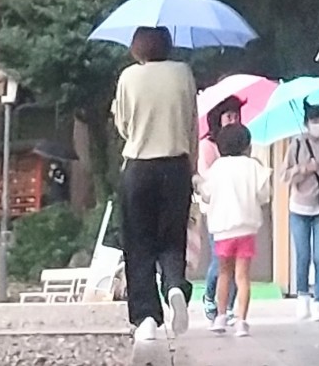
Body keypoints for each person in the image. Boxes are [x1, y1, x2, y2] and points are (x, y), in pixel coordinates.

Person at [112, 26, 199, 361]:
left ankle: (147, 319)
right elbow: (193, 123)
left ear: (137, 48)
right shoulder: (183, 73)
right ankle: (175, 286)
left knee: (139, 245)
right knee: (171, 238)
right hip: (176, 167)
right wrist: (191, 168)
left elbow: (123, 127)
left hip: (139, 168)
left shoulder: (128, 78)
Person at [197, 122, 270, 339]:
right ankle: (241, 321)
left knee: (224, 273)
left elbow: (207, 194)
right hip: (246, 228)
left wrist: (197, 183)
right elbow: (265, 195)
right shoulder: (253, 167)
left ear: (220, 146)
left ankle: (220, 316)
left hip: (222, 229)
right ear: (247, 146)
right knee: (242, 276)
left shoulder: (217, 168)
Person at [282, 99, 319, 321]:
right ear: (307, 122)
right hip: (299, 208)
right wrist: (304, 168)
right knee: (303, 255)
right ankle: (302, 298)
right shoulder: (296, 145)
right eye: (314, 121)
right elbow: (284, 176)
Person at [200, 95, 246, 325]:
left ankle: (227, 307)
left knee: (239, 262)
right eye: (229, 116)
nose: (233, 120)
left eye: (236, 116)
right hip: (216, 210)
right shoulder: (208, 146)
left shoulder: (244, 145)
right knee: (221, 260)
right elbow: (205, 178)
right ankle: (211, 296)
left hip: (239, 209)